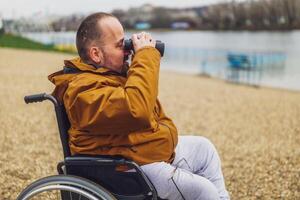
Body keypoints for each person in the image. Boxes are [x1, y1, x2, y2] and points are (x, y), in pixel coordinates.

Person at [48, 12, 230, 200]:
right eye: (120, 45)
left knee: (203, 149)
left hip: (139, 153)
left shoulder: (109, 76)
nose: (127, 50)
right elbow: (137, 110)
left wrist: (134, 63)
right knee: (203, 190)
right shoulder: (83, 90)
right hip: (125, 168)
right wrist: (145, 56)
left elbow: (149, 110)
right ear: (96, 54)